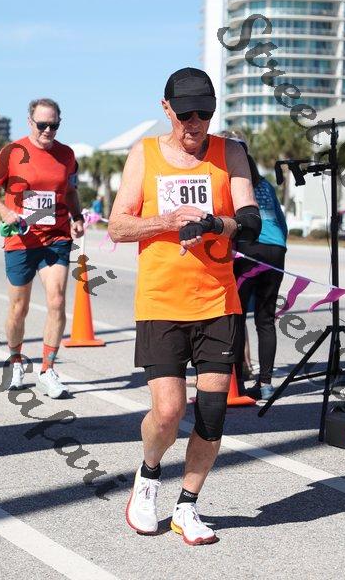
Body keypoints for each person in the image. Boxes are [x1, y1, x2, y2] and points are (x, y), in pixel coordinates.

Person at [108, 67, 261, 545]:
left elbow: (250, 221)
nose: (195, 123)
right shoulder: (146, 153)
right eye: (186, 114)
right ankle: (149, 475)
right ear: (166, 108)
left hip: (218, 300)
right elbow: (117, 226)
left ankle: (187, 506)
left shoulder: (229, 152)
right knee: (169, 411)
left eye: (205, 114)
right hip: (161, 301)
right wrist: (169, 220)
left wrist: (215, 223)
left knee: (212, 415)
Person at [0, 98, 84, 398]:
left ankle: (47, 369)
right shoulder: (12, 152)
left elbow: (70, 191)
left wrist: (77, 217)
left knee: (57, 301)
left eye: (54, 125)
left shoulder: (66, 155)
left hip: (56, 238)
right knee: (19, 308)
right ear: (30, 122)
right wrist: (5, 212)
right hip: (21, 240)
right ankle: (16, 360)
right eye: (42, 125)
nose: (47, 131)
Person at [233, 146, 287, 400]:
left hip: (249, 249)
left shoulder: (235, 182)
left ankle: (237, 383)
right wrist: (279, 246)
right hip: (276, 249)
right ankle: (265, 383)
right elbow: (281, 221)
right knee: (265, 320)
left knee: (237, 316)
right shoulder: (266, 185)